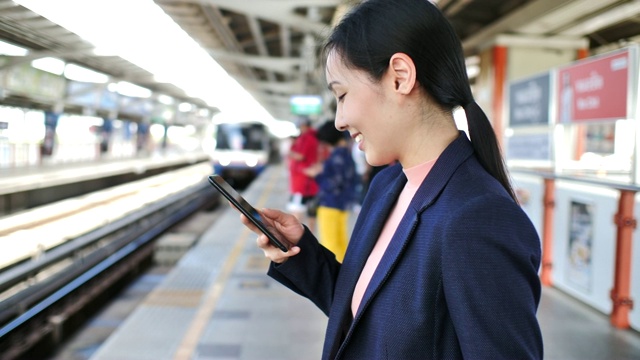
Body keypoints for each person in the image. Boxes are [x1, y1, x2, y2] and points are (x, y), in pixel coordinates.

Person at [240, 1, 543, 358]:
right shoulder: (388, 185)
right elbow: (367, 315)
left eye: (342, 95)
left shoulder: (476, 217)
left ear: (400, 76)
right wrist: (300, 254)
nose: (339, 120)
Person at [304, 120, 357, 262]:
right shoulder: (347, 154)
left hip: (330, 204)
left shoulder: (337, 156)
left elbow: (334, 184)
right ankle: (345, 273)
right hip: (343, 204)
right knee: (340, 242)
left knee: (330, 244)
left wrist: (317, 175)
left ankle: (338, 278)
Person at [286, 116, 319, 230]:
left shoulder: (306, 138)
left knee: (296, 211)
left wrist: (290, 153)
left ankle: (298, 238)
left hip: (301, 182)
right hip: (310, 182)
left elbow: (300, 156)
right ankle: (310, 235)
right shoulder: (314, 138)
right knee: (311, 212)